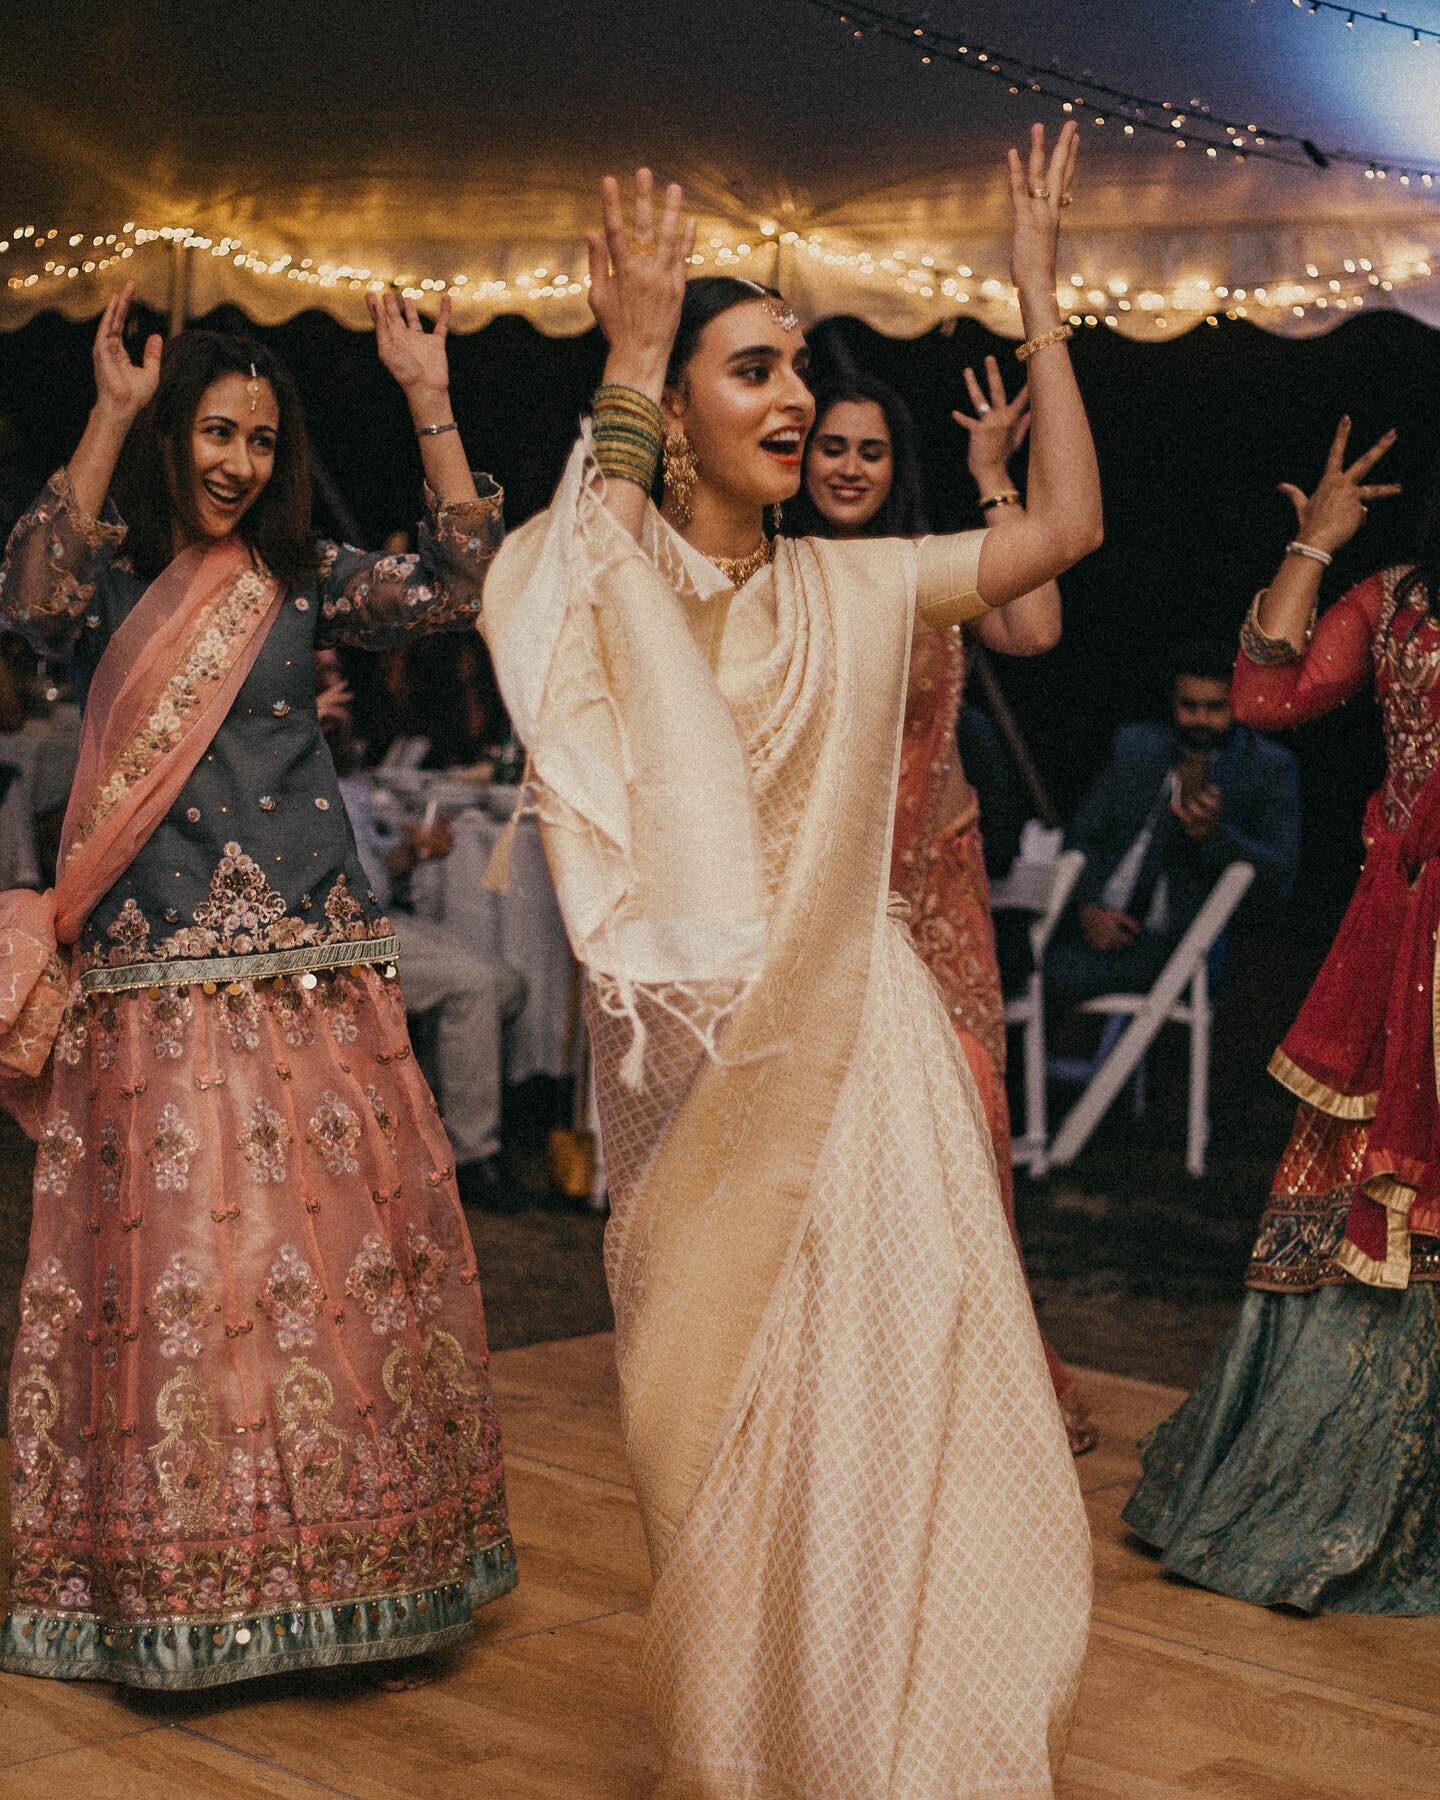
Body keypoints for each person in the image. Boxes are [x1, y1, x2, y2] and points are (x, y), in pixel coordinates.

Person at [482, 125, 1100, 1796]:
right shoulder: (627, 585)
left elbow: (1062, 534)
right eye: (749, 369)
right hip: (708, 1091)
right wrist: (623, 356)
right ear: (677, 409)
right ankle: (764, 1743)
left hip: (871, 1056)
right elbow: (553, 610)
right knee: (733, 1439)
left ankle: (899, 1742)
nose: (787, 401)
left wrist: (1042, 311)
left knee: (903, 1409)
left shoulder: (857, 586)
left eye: (798, 372)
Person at [0, 284, 515, 1689]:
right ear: (178, 441)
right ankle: (179, 1586)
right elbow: (29, 594)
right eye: (213, 433)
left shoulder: (301, 580)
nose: (234, 461)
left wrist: (428, 399)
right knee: (181, 1279)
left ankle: (349, 1568)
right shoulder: (109, 582)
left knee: (328, 1281)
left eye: (258, 439)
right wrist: (106, 416)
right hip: (156, 979)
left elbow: (461, 584)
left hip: (307, 981)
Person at [1125, 421, 1440, 1613]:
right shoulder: (1400, 603)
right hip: (1408, 940)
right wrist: (1312, 544)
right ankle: (1333, 1486)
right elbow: (1261, 699)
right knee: (1372, 1199)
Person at [789, 365, 1096, 1455]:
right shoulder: (775, 571)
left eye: (871, 451)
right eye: (832, 446)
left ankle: (960, 1373)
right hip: (817, 905)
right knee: (829, 1138)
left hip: (936, 892)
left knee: (960, 1120)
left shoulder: (927, 573)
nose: (851, 467)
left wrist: (993, 475)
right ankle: (836, 1376)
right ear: (799, 452)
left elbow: (1039, 626)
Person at [319, 651, 525, 1211]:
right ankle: (472, 1155)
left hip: (377, 915)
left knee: (506, 982)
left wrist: (411, 851)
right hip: (328, 930)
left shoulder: (342, 762)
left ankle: (424, 1123)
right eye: (321, 678)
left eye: (338, 677)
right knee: (474, 985)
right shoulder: (286, 754)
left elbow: (368, 861)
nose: (338, 690)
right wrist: (296, 726)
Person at [1047, 638, 1300, 1015]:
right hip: (1095, 924)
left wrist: (1216, 835)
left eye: (1215, 707)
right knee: (1017, 956)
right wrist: (1087, 908)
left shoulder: (1265, 767)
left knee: (1045, 975)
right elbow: (1082, 834)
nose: (1200, 719)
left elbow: (1281, 874)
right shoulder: (1137, 747)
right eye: (1189, 706)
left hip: (1184, 946)